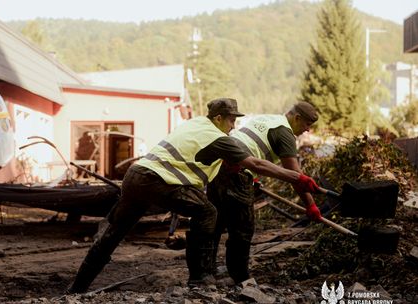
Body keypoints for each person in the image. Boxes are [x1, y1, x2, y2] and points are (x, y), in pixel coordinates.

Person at [67, 98, 321, 293]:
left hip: (136, 176)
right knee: (207, 212)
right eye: (232, 121)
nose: (234, 126)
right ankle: (200, 279)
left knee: (114, 232)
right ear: (220, 118)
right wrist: (299, 178)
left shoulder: (194, 123)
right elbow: (257, 164)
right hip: (159, 181)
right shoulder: (219, 137)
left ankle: (77, 288)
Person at [207, 101, 321, 285]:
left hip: (219, 165)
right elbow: (295, 176)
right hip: (238, 171)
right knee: (243, 228)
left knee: (216, 221)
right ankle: (240, 277)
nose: (307, 130)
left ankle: (206, 271)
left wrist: (254, 179)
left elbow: (250, 145)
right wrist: (311, 205)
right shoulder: (285, 133)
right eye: (307, 124)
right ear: (297, 118)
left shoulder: (269, 119)